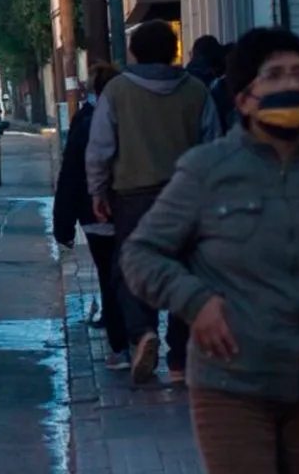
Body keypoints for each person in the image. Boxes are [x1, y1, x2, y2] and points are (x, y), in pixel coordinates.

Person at [120, 26, 299, 474]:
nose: (292, 84)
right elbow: (141, 254)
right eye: (274, 75)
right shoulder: (206, 171)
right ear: (244, 100)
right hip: (233, 384)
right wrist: (195, 302)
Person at [86, 20, 220, 384]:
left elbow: (99, 149)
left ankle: (142, 332)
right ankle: (180, 360)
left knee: (129, 268)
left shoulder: (116, 91)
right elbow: (214, 145)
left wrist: (98, 192)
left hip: (134, 195)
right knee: (188, 268)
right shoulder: (196, 91)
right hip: (188, 194)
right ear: (174, 51)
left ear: (135, 53)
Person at [54, 62, 129, 369]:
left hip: (94, 212)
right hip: (133, 207)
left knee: (108, 276)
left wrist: (64, 222)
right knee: (132, 273)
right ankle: (140, 332)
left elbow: (72, 171)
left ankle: (120, 346)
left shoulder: (85, 120)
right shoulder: (133, 117)